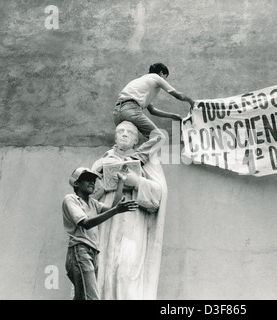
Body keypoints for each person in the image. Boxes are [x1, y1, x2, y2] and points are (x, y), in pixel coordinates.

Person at [91, 121, 168, 299]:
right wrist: (103, 182)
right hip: (105, 223)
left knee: (126, 271)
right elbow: (86, 197)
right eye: (120, 131)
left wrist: (136, 182)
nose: (124, 134)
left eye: (130, 133)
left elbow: (158, 197)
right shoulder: (102, 161)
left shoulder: (146, 162)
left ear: (136, 141)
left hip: (132, 221)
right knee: (103, 270)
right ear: (115, 137)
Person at [62, 167, 138, 300]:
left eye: (93, 180)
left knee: (82, 297)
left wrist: (121, 181)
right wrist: (115, 211)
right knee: (91, 297)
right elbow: (86, 223)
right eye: (87, 179)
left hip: (92, 253)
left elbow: (113, 208)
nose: (92, 182)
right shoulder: (71, 199)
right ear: (76, 184)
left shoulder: (92, 203)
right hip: (80, 251)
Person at [113, 62, 195, 164]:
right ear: (161, 73)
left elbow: (152, 110)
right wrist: (191, 101)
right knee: (159, 137)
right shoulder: (156, 77)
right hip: (131, 110)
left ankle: (113, 157)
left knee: (128, 141)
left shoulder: (143, 83)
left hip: (117, 113)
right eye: (165, 78)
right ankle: (136, 158)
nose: (164, 81)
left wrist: (173, 115)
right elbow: (178, 95)